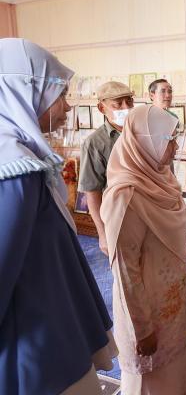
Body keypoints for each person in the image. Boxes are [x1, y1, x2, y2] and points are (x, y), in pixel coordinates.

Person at [0, 38, 117, 394]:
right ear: (25, 92)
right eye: (60, 94)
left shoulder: (22, 157)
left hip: (50, 327)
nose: (67, 105)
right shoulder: (15, 172)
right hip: (37, 350)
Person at [100, 105, 186, 394]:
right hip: (146, 311)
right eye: (169, 139)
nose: (176, 147)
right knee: (152, 375)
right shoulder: (125, 197)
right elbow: (125, 272)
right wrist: (142, 330)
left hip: (171, 297)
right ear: (146, 142)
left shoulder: (161, 177)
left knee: (176, 362)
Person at [78, 81, 134, 255]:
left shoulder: (143, 132)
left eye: (129, 102)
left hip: (150, 216)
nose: (126, 108)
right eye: (118, 104)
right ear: (102, 108)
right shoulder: (94, 143)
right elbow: (92, 191)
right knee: (126, 267)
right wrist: (102, 234)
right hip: (118, 218)